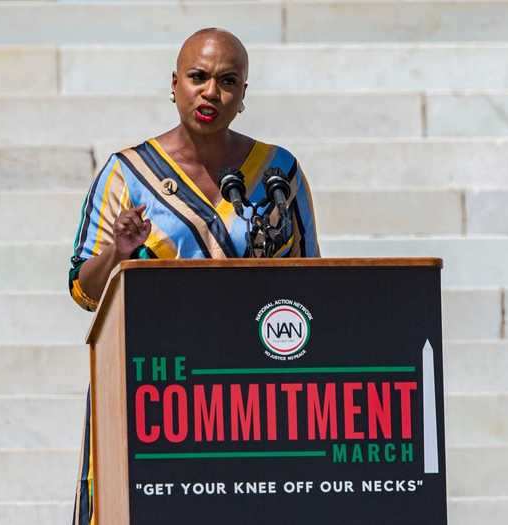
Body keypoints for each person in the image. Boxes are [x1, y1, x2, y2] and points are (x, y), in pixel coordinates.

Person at [68, 27, 320, 525]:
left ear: (243, 95)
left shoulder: (278, 173)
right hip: (155, 393)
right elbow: (84, 290)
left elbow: (308, 280)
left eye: (228, 81)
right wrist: (117, 252)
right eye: (198, 77)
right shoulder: (127, 173)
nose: (211, 92)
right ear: (175, 84)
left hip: (249, 393)